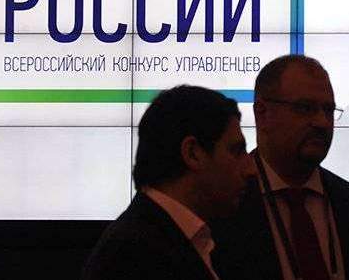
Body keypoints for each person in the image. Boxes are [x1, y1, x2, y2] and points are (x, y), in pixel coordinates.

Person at [212, 54, 349, 280]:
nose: (322, 122)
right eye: (305, 108)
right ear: (262, 113)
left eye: (328, 110)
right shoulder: (216, 210)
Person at [83, 85, 254, 280]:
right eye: (236, 151)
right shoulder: (136, 256)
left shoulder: (159, 238)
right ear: (193, 153)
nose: (251, 169)